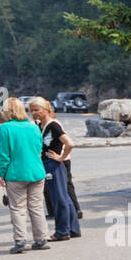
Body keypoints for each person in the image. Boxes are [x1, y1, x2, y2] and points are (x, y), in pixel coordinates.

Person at [0, 96, 49, 254]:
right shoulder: (34, 126)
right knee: (36, 207)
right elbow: (38, 148)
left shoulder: (5, 128)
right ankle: (41, 239)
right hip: (37, 171)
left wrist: (1, 174)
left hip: (16, 173)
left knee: (18, 208)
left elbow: (4, 155)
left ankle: (20, 241)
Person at [28, 97, 80, 241]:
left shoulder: (53, 126)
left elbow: (69, 143)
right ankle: (73, 229)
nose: (34, 113)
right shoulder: (40, 126)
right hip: (47, 163)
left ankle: (62, 231)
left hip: (53, 164)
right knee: (64, 197)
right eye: (31, 110)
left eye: (37, 110)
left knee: (59, 198)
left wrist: (61, 157)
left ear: (46, 109)